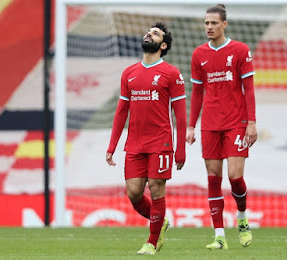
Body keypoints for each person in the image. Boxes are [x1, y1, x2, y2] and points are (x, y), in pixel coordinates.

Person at [106, 21, 187, 255]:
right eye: (147, 32)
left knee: (156, 188)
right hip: (135, 142)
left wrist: (179, 150)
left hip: (160, 142)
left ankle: (152, 242)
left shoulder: (171, 74)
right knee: (133, 192)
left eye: (154, 33)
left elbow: (180, 117)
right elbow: (121, 112)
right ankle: (160, 221)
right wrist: (112, 146)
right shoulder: (129, 73)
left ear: (163, 45)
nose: (147, 35)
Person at [186, 4, 257, 250]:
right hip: (210, 125)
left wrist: (252, 122)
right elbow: (196, 93)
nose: (209, 27)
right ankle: (219, 236)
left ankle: (242, 218)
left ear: (224, 24)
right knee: (213, 178)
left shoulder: (239, 50)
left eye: (214, 23)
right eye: (206, 23)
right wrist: (191, 126)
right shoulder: (198, 54)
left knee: (235, 177)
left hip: (236, 122)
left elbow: (249, 88)